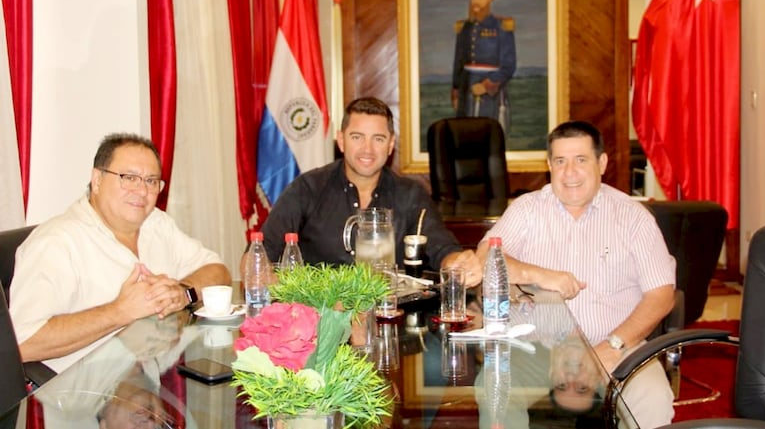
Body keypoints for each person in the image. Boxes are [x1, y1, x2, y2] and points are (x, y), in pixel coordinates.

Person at [472, 120, 677, 428]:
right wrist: (540, 275)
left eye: (581, 160)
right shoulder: (528, 209)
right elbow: (486, 258)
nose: (569, 173)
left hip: (616, 347)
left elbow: (661, 295)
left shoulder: (633, 217)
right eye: (560, 161)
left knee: (653, 399)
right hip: (537, 348)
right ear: (549, 165)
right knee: (493, 387)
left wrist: (613, 346)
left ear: (602, 163)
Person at [9, 133, 231, 373]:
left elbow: (218, 271)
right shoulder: (56, 243)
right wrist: (118, 312)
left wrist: (183, 291)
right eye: (129, 178)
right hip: (82, 399)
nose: (142, 191)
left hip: (153, 380)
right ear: (97, 180)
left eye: (151, 181)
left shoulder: (156, 223)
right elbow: (23, 342)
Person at [261, 97, 480, 276]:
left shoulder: (411, 194)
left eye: (378, 139)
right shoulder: (306, 189)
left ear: (391, 144)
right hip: (322, 319)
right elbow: (259, 257)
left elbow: (442, 249)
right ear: (341, 140)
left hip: (391, 317)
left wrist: (458, 264)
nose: (368, 149)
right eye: (357, 137)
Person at [451, 0, 516, 132]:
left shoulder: (502, 26)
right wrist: (456, 92)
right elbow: (458, 63)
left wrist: (487, 86)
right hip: (466, 91)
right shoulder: (464, 28)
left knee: (487, 135)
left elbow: (509, 65)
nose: (476, 1)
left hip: (489, 95)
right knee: (464, 134)